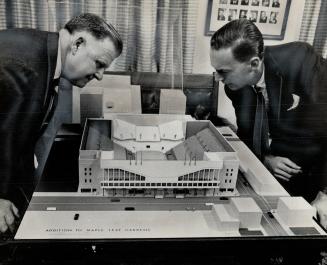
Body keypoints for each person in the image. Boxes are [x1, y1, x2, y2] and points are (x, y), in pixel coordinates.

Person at [0, 13, 123, 233]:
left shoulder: (42, 56)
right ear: (77, 44)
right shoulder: (25, 67)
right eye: (99, 63)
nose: (101, 75)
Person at [209, 19, 327, 228]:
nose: (218, 78)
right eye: (216, 70)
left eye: (223, 71)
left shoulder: (301, 61)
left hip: (318, 173)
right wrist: (266, 159)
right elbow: (248, 133)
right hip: (279, 176)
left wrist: (324, 194)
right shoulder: (234, 86)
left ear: (254, 64)